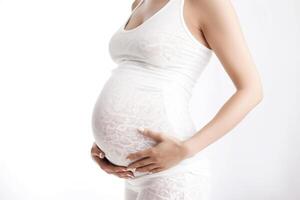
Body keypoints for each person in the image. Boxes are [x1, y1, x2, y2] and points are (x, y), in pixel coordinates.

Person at [91, 0, 263, 199]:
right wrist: (106, 147)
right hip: (133, 174)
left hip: (173, 174)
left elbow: (252, 90)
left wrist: (185, 149)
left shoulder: (207, 3)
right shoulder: (139, 2)